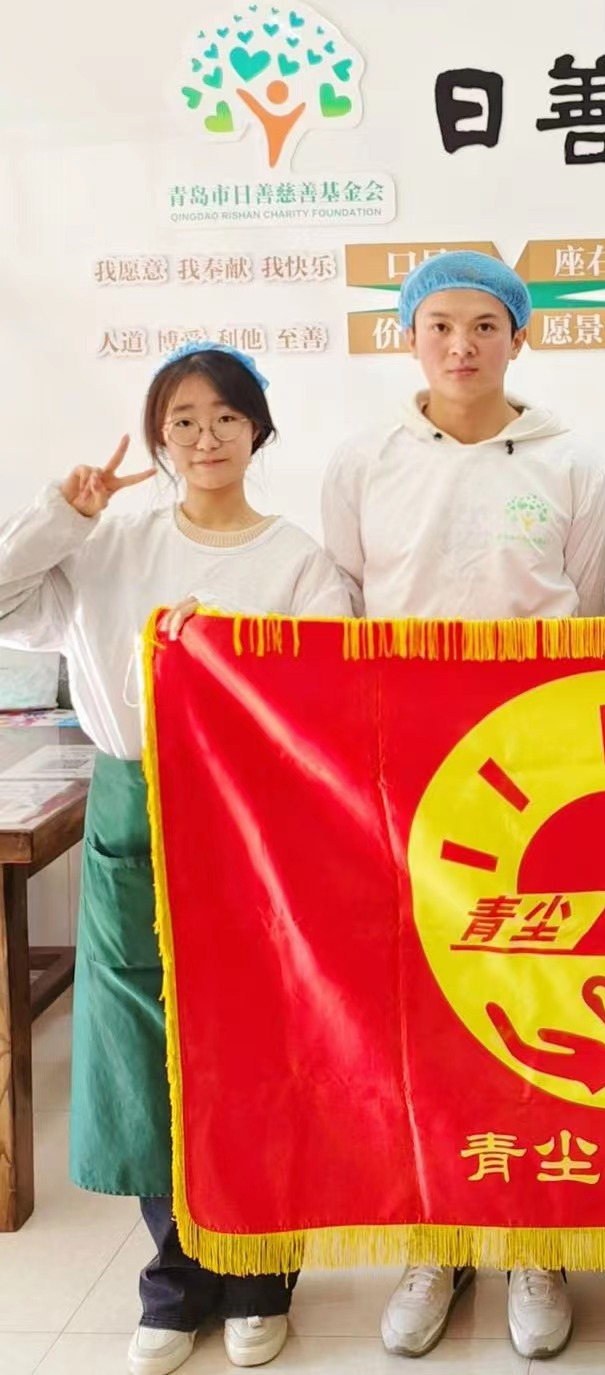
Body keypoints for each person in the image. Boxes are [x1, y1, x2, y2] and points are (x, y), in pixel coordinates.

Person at [0, 341, 353, 1375]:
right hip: (134, 803)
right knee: (146, 1039)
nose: (206, 438)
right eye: (184, 421)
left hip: (251, 810)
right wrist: (61, 515)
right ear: (158, 438)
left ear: (259, 432)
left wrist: (227, 660)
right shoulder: (109, 544)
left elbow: (326, 698)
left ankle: (261, 1271)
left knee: (253, 1041)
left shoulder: (297, 560)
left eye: (226, 418)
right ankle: (176, 1274)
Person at [322, 250, 605, 1360]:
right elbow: (341, 611)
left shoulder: (573, 460)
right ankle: (433, 1236)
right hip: (404, 771)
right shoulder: (364, 462)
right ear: (408, 337)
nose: (461, 345)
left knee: (531, 994)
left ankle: (534, 1237)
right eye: (439, 324)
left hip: (537, 770)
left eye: (485, 325)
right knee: (419, 1004)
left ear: (518, 338)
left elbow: (596, 608)